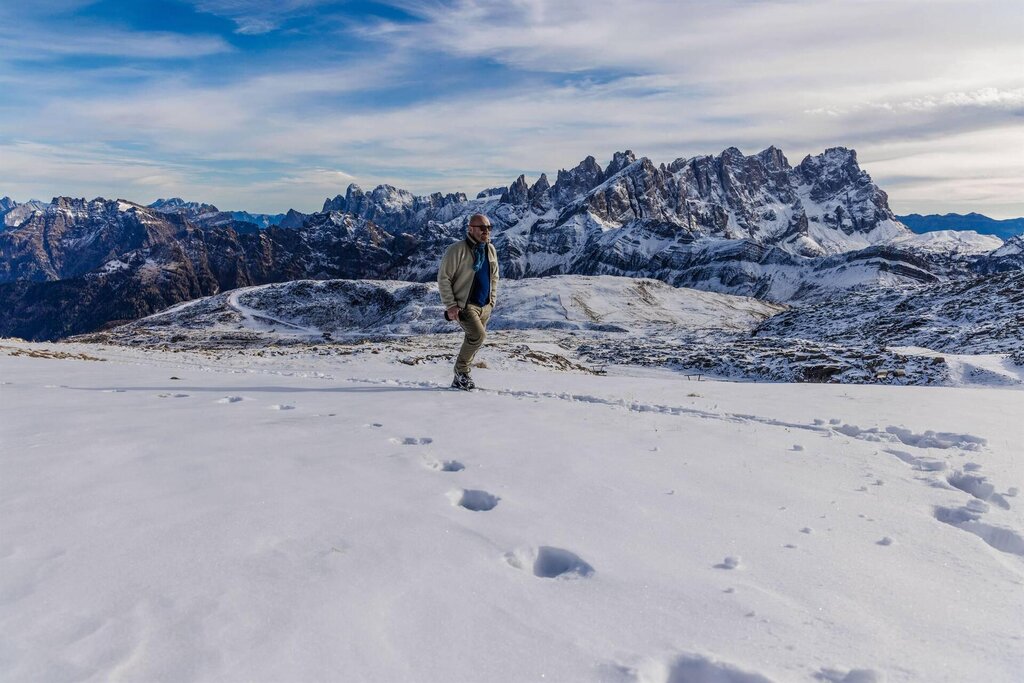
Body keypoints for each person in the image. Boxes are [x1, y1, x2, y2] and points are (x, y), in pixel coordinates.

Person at [438, 213, 499, 390]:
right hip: (466, 305)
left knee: (473, 339)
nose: (486, 231)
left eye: (488, 228)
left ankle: (461, 376)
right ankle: (461, 372)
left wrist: (492, 300)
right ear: (470, 229)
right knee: (478, 336)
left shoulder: (490, 249)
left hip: (485, 305)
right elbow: (444, 278)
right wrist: (450, 305)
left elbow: (494, 276)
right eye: (482, 228)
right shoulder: (456, 250)